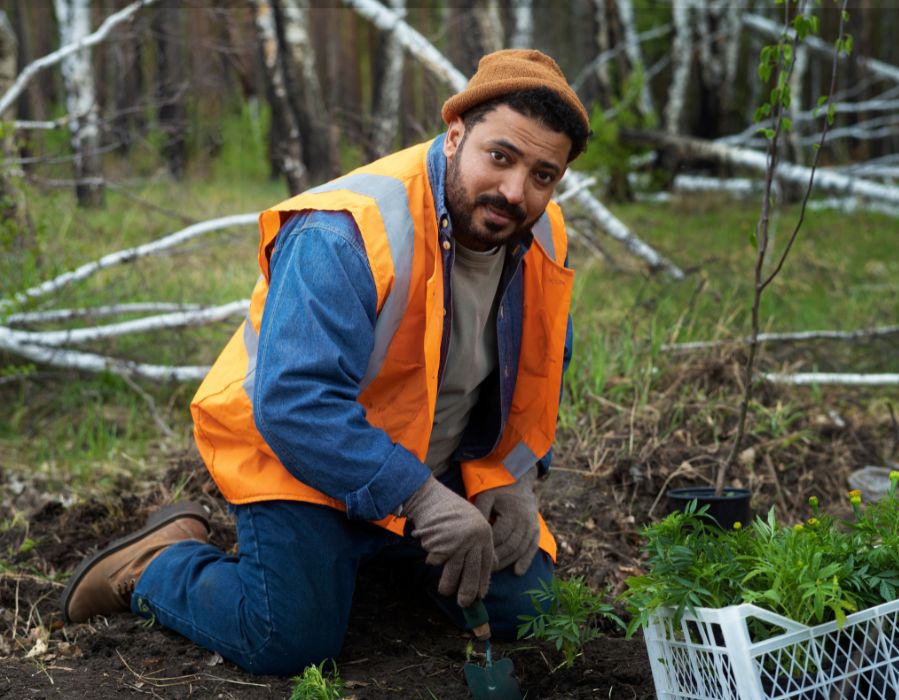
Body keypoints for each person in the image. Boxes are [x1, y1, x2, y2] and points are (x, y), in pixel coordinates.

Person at [59, 49, 589, 676]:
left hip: (427, 468)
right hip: (302, 464)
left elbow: (542, 361)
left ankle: (365, 560)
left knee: (529, 612)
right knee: (290, 643)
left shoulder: (541, 233)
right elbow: (293, 404)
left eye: (542, 174)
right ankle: (158, 565)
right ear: (455, 135)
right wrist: (422, 500)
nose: (515, 191)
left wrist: (517, 480)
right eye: (500, 156)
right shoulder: (345, 232)